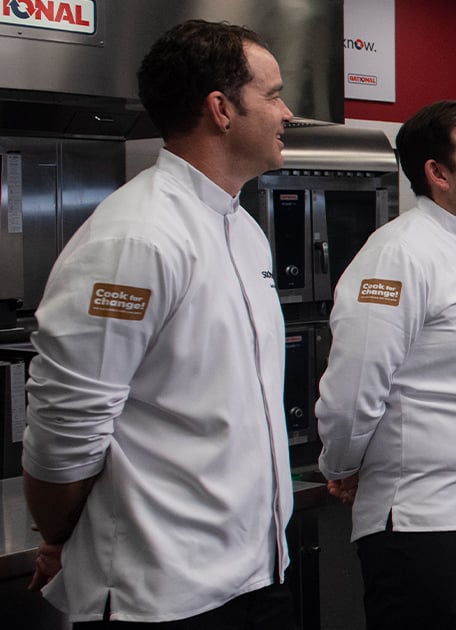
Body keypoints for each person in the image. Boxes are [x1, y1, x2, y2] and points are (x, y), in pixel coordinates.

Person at [21, 19, 295, 626]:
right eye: (273, 94)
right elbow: (64, 434)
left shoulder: (242, 230)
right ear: (221, 109)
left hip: (255, 571)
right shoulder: (136, 237)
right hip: (163, 593)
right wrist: (62, 534)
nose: (288, 112)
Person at [315, 100, 456, 630]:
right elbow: (354, 386)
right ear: (437, 173)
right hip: (424, 523)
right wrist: (341, 464)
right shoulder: (399, 254)